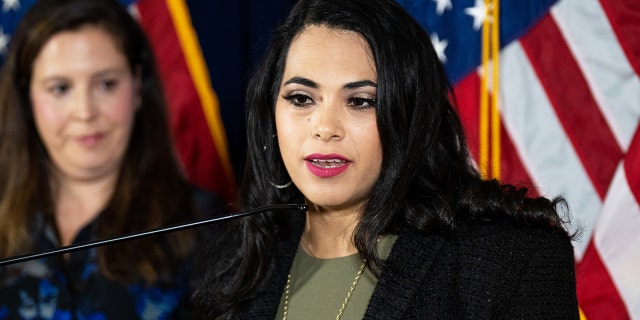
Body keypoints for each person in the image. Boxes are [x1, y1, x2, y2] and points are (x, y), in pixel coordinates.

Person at [192, 0, 579, 318]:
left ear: (409, 118)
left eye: (360, 102)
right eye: (301, 98)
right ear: (270, 115)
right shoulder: (229, 264)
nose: (324, 127)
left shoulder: (512, 260)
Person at [0, 0, 224, 318]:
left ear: (137, 87)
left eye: (107, 84)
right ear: (27, 97)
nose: (85, 111)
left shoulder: (205, 228)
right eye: (60, 88)